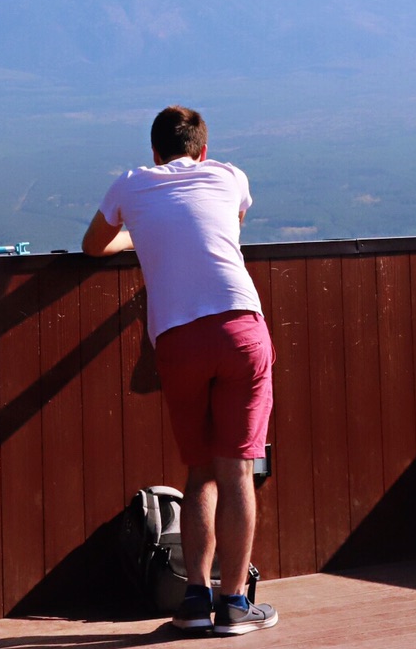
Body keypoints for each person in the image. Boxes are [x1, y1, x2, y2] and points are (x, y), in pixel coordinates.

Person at [82, 105, 278, 637]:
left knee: (198, 473)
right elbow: (224, 232)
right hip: (239, 328)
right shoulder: (229, 176)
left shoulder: (130, 185)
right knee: (238, 470)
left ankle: (195, 599)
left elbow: (93, 246)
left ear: (154, 152)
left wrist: (136, 237)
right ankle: (234, 604)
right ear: (203, 151)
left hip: (177, 339)